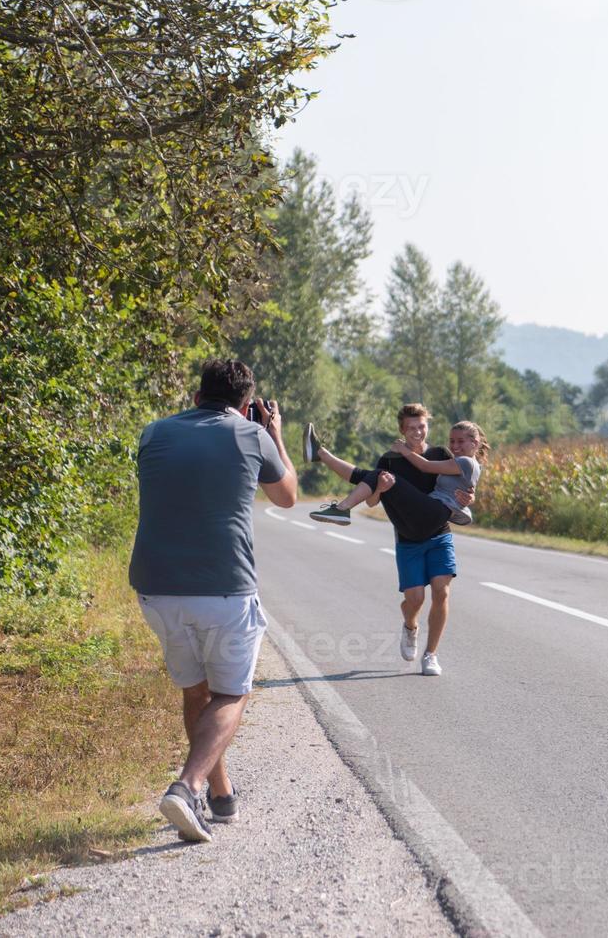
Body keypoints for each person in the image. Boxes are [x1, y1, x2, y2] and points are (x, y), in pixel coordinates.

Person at [129, 359, 297, 844]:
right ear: (246, 404)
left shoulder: (154, 432)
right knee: (232, 693)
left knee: (195, 690)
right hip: (223, 587)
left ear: (198, 394)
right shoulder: (250, 434)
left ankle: (219, 797)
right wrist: (273, 433)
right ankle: (188, 786)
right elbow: (287, 495)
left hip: (155, 589)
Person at [302, 404, 476, 677]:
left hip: (437, 531)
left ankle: (431, 655)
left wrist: (469, 497)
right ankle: (410, 626)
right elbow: (372, 500)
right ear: (402, 430)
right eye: (411, 428)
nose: (418, 432)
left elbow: (460, 483)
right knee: (415, 599)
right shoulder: (390, 460)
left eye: (422, 426)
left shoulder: (439, 454)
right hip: (408, 536)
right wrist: (380, 490)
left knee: (441, 591)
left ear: (427, 425)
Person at [307, 421, 487, 531]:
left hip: (435, 511)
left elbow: (425, 466)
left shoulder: (466, 462)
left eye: (460, 441)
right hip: (430, 512)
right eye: (452, 441)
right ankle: (322, 455)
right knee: (375, 476)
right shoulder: (461, 462)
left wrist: (404, 449)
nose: (454, 446)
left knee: (381, 475)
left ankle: (342, 509)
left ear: (475, 442)